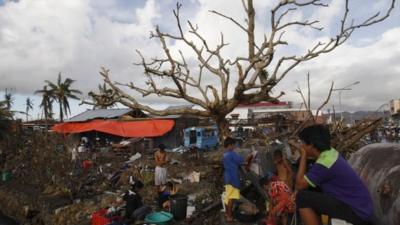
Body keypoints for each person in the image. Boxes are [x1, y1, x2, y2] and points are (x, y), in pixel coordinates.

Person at [295, 124, 374, 225]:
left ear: (311, 145)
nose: (301, 146)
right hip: (362, 207)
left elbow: (299, 185)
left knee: (302, 198)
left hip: (356, 212)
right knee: (311, 189)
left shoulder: (324, 163)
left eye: (302, 143)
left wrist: (303, 156)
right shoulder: (330, 152)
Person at [222, 137, 245, 222]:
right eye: (234, 145)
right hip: (233, 178)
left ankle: (226, 213)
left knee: (228, 197)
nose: (234, 147)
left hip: (227, 178)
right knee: (231, 198)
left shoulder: (225, 154)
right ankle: (229, 216)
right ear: (230, 145)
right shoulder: (231, 154)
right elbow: (241, 159)